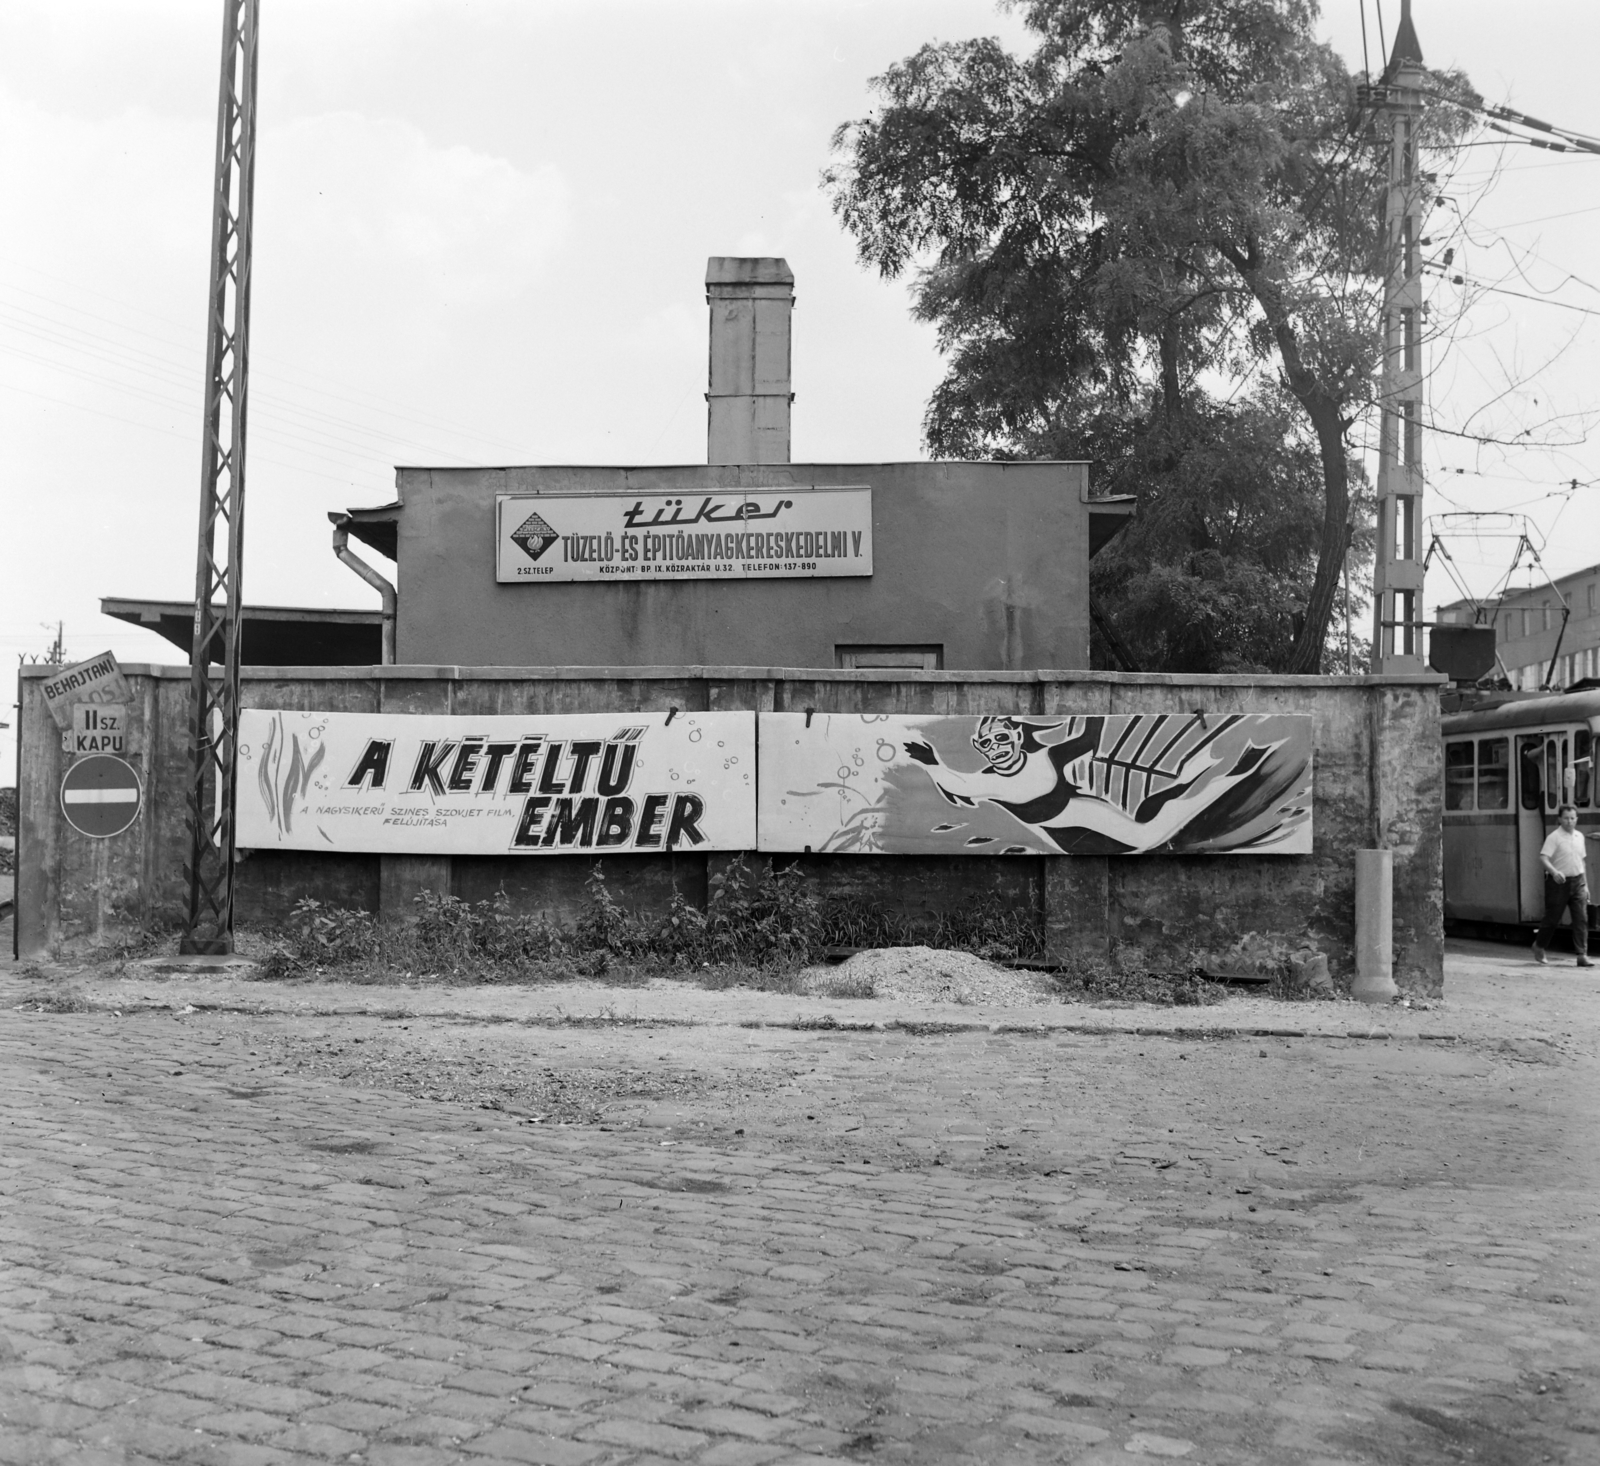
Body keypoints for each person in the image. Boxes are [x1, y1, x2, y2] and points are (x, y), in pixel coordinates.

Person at [1532, 803, 1595, 967]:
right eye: (1566, 818)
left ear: (1577, 819)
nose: (1569, 821)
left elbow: (1582, 861)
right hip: (1559, 883)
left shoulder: (1579, 836)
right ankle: (1539, 946)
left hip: (1578, 882)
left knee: (1581, 919)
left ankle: (1582, 955)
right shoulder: (1554, 837)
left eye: (1572, 818)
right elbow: (1543, 858)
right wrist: (1554, 872)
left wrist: (1586, 886)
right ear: (1559, 819)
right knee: (1552, 919)